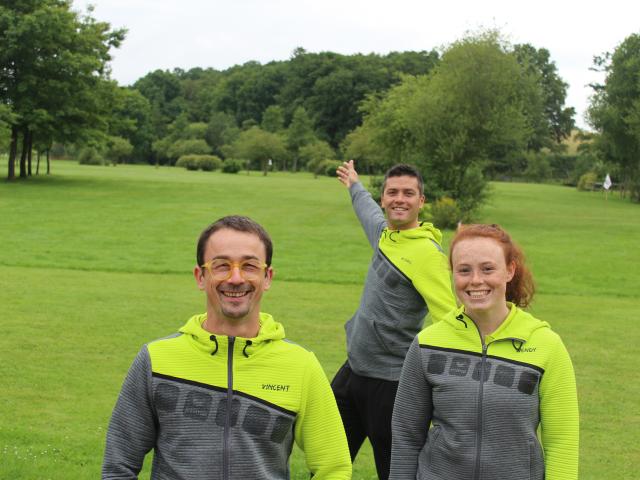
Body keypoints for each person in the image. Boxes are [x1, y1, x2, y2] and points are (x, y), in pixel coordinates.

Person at [102, 215, 351, 480]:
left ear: (267, 277)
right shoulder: (156, 360)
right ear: (200, 276)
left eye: (249, 266)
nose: (235, 278)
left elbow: (333, 467)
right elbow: (119, 465)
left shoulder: (301, 366)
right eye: (221, 266)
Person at [390, 224, 579, 480]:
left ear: (510, 270)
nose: (476, 280)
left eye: (487, 269)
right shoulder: (427, 344)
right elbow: (406, 435)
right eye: (464, 270)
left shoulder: (547, 345)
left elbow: (562, 442)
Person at [331, 161, 457, 480]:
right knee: (328, 459)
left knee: (394, 472)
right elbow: (366, 210)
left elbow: (450, 318)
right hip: (353, 370)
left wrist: (449, 382)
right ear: (384, 198)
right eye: (392, 192)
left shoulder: (428, 256)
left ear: (421, 201)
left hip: (390, 384)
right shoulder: (385, 234)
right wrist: (355, 184)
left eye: (408, 193)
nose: (399, 199)